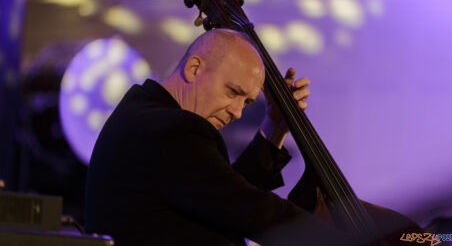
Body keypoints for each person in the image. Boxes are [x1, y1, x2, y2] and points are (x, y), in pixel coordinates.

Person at [84, 29, 360, 246]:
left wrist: (274, 126)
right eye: (232, 91)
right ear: (194, 68)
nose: (237, 112)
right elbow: (252, 210)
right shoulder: (171, 129)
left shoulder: (144, 114)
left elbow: (220, 196)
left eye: (247, 101)